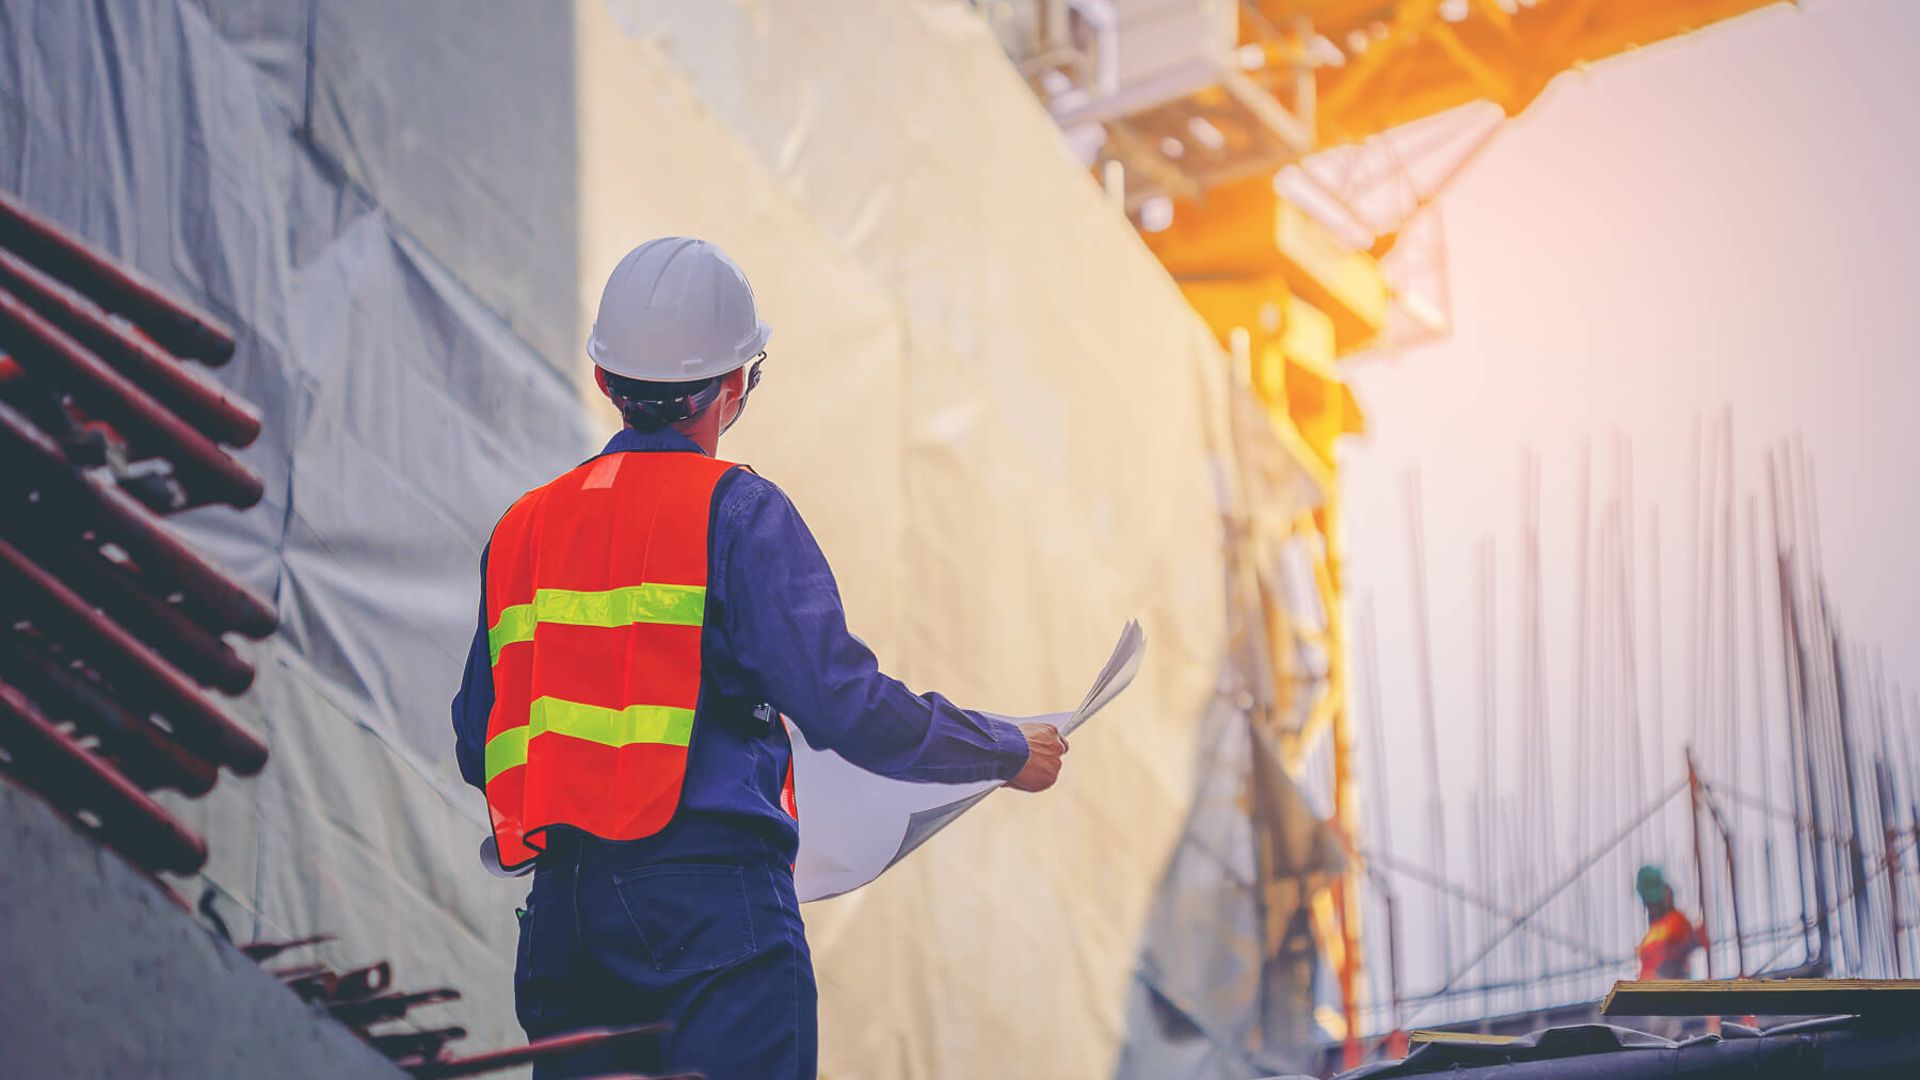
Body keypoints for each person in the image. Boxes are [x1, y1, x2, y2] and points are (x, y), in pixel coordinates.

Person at [449, 237, 1070, 1079]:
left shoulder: (522, 528)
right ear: (734, 386)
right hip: (712, 921)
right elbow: (845, 705)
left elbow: (474, 743)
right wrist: (1001, 747)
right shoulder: (737, 512)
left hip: (566, 926)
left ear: (605, 380)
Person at [1635, 864, 1703, 980]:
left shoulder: (1676, 920)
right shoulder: (1653, 931)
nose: (1650, 906)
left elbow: (1691, 940)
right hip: (1648, 990)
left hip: (1667, 987)